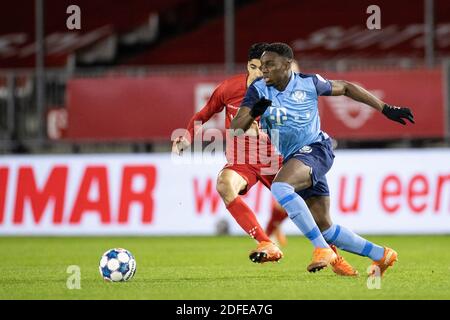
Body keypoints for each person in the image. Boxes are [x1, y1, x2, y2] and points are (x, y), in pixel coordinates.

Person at [173, 43, 357, 276]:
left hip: (276, 159)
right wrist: (188, 135)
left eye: (264, 68)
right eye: (254, 67)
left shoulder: (279, 89)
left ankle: (335, 258)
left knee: (312, 212)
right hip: (243, 161)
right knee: (224, 185)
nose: (259, 73)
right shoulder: (228, 89)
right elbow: (204, 114)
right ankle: (266, 242)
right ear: (247, 67)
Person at [231, 42, 414, 276]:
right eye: (261, 65)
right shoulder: (258, 89)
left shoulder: (308, 82)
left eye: (269, 64)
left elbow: (346, 88)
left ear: (287, 65)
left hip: (317, 149)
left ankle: (321, 249)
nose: (263, 70)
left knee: (281, 187)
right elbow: (236, 129)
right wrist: (255, 111)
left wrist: (385, 108)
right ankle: (382, 255)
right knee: (326, 227)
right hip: (295, 158)